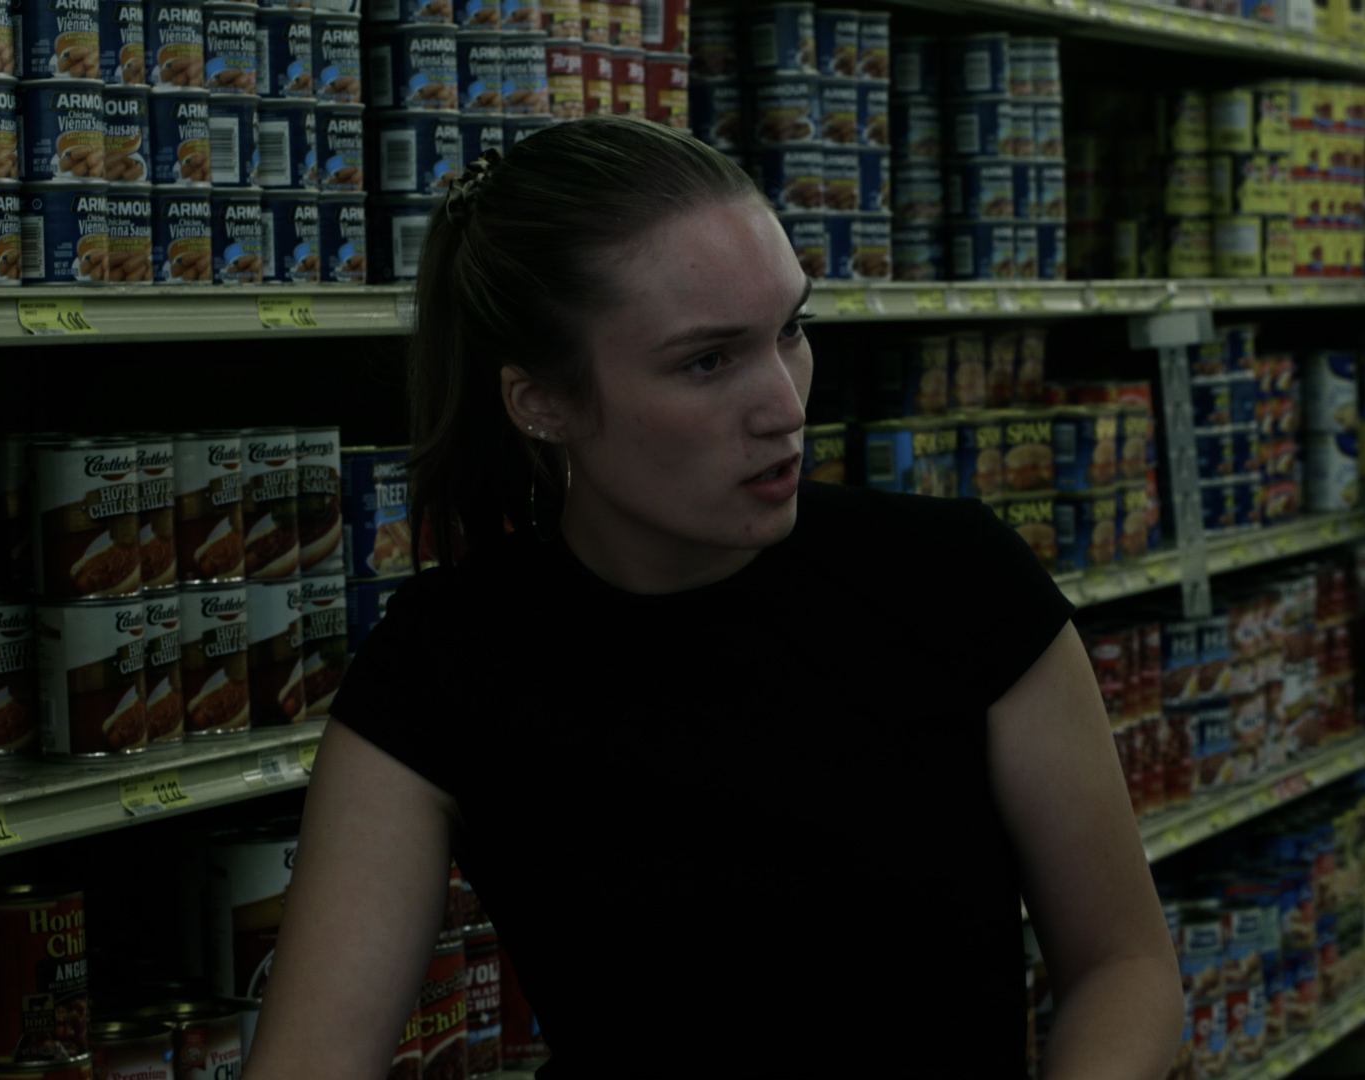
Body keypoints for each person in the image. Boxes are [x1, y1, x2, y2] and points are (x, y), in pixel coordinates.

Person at [246, 115, 1180, 1080]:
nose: (786, 406)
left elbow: (1125, 965)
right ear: (540, 402)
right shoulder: (442, 665)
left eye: (791, 331)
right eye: (707, 361)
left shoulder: (956, 581)